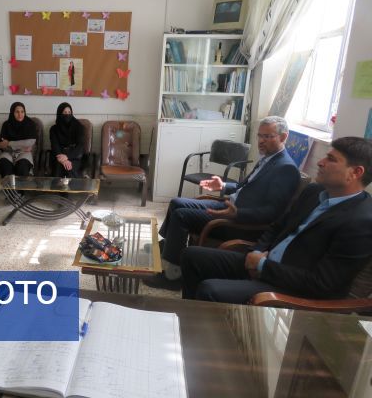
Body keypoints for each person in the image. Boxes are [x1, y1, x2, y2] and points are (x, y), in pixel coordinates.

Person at [181, 137, 372, 304]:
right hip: (263, 262)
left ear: (356, 172)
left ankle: (206, 329)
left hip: (292, 288)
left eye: (331, 159)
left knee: (210, 289)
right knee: (192, 256)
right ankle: (188, 319)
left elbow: (322, 284)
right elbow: (277, 226)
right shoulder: (314, 192)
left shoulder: (361, 221)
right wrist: (256, 252)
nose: (321, 162)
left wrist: (263, 266)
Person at [144, 116, 300, 290]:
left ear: (283, 137)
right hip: (229, 206)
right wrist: (223, 186)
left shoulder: (286, 168)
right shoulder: (268, 159)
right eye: (260, 136)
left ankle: (172, 277)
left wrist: (238, 214)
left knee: (181, 215)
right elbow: (244, 187)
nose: (261, 141)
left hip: (240, 222)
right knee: (176, 203)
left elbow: (272, 213)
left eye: (267, 136)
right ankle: (168, 248)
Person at [0, 102, 38, 177]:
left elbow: (30, 142)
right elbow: (1, 144)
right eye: (17, 112)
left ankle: (20, 185)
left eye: (22, 112)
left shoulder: (30, 124)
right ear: (12, 113)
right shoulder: (6, 124)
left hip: (24, 153)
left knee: (22, 167)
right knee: (4, 164)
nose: (20, 114)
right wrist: (21, 145)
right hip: (9, 152)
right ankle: (9, 185)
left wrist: (9, 143)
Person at [50, 102, 85, 178]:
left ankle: (75, 186)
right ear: (60, 114)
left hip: (75, 156)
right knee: (58, 167)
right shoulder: (54, 129)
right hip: (59, 156)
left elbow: (80, 146)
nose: (67, 114)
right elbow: (55, 146)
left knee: (69, 168)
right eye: (65, 112)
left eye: (69, 112)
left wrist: (67, 156)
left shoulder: (79, 127)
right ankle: (57, 186)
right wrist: (63, 160)